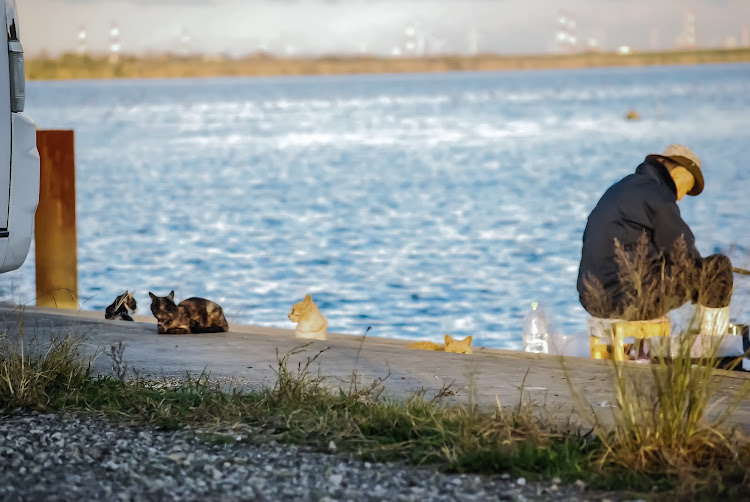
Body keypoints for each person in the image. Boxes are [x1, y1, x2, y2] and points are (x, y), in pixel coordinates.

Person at [577, 144, 732, 322]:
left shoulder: (621, 187)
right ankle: (716, 342)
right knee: (717, 268)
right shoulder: (658, 195)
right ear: (678, 173)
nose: (680, 197)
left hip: (592, 298)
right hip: (631, 299)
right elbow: (683, 253)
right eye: (686, 188)